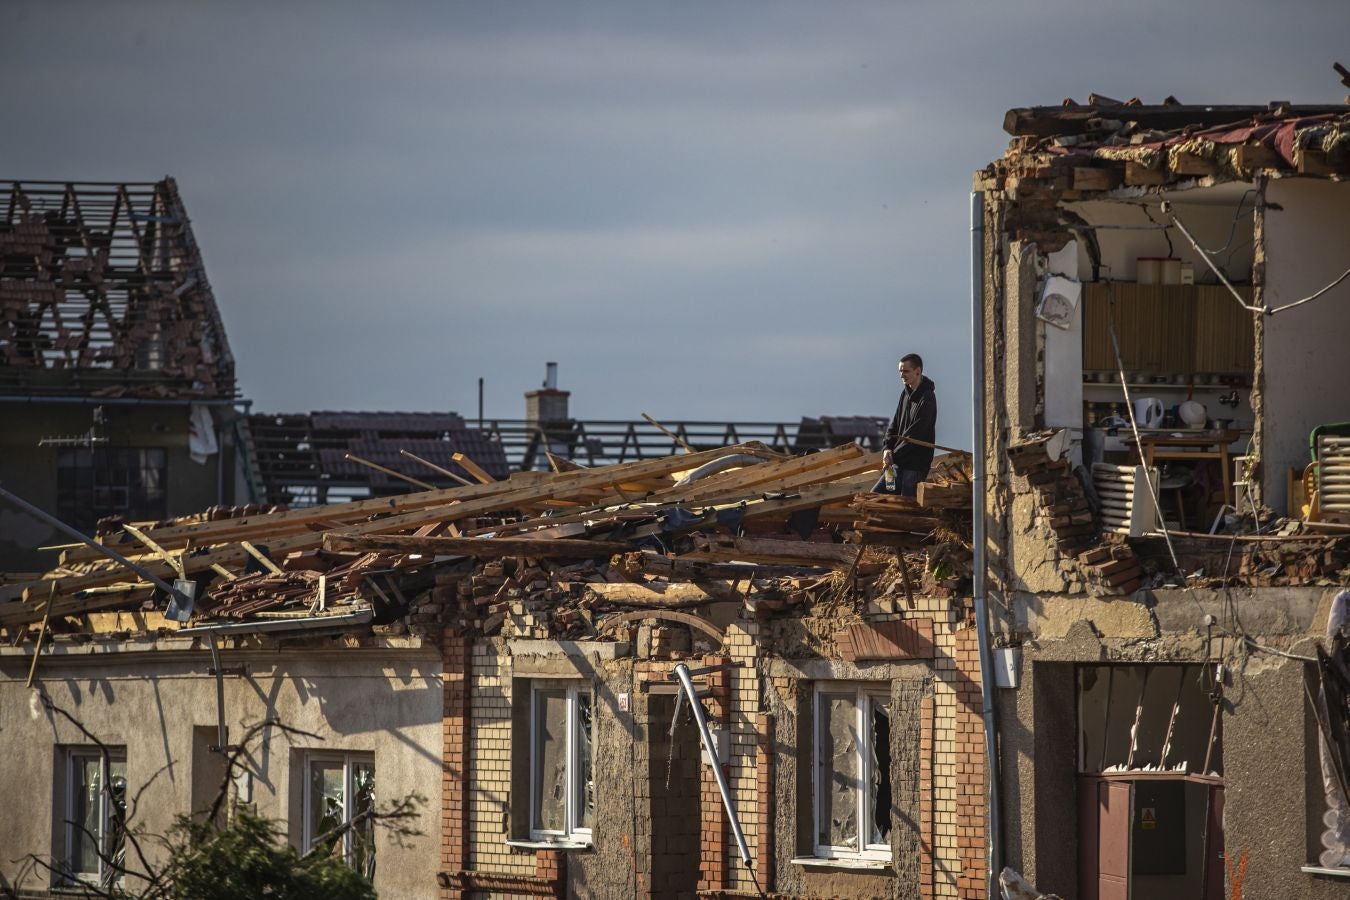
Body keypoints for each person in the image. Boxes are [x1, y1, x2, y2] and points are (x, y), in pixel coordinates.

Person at [874, 353, 937, 497]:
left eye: (906, 371)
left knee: (906, 505)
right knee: (878, 497)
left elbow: (916, 433)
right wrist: (887, 449)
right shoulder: (905, 394)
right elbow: (894, 424)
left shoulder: (927, 398)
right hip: (896, 465)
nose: (902, 375)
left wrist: (892, 455)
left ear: (918, 371)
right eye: (900, 371)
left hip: (914, 466)